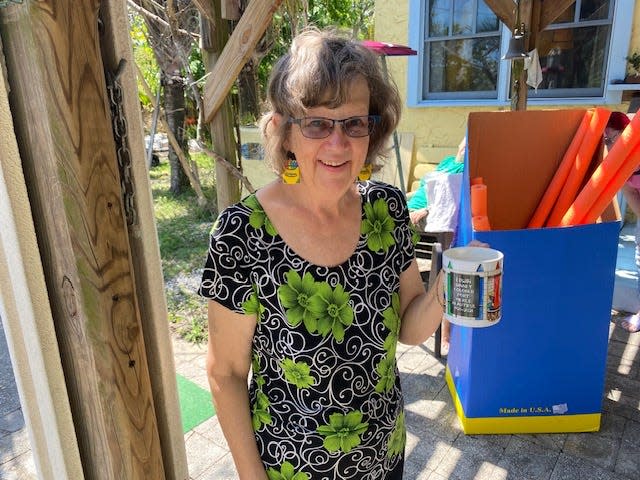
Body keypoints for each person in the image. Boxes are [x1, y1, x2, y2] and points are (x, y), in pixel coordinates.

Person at [198, 28, 482, 479]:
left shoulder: (386, 210)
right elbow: (226, 374)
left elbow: (408, 327)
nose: (338, 144)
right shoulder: (242, 233)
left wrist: (447, 289)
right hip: (289, 470)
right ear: (285, 133)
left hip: (383, 456)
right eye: (316, 123)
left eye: (354, 123)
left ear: (373, 131)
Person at [609, 111, 640, 333]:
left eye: (613, 138)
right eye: (605, 141)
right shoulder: (620, 164)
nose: (609, 146)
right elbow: (632, 195)